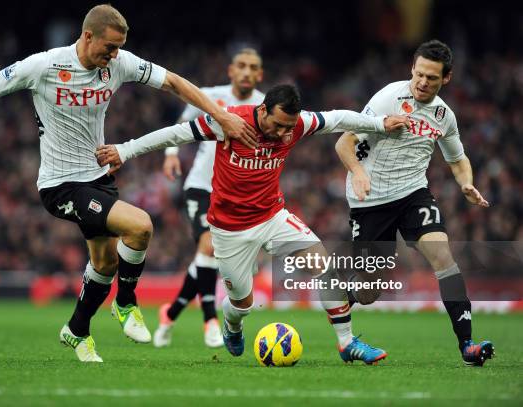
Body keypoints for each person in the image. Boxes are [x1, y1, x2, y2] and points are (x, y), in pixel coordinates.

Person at [0, 4, 256, 363]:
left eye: (119, 48)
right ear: (87, 36)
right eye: (109, 47)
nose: (114, 56)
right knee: (141, 226)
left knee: (106, 263)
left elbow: (174, 82)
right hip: (60, 185)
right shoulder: (45, 65)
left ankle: (78, 331)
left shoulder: (120, 63)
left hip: (97, 177)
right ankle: (126, 303)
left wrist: (220, 115)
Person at [96, 84, 410, 363]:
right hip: (229, 230)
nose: (280, 132)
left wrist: (379, 124)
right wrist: (126, 149)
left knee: (323, 266)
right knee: (241, 303)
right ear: (262, 111)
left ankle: (347, 343)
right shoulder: (229, 121)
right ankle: (232, 327)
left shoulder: (295, 126)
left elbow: (339, 119)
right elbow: (175, 134)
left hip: (273, 216)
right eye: (276, 124)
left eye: (287, 127)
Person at [334, 39, 494, 366]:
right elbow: (343, 143)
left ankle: (468, 345)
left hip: (412, 195)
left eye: (431, 78)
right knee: (369, 292)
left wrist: (466, 183)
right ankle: (338, 300)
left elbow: (458, 158)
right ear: (412, 68)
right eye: (418, 74)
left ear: (445, 78)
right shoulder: (387, 98)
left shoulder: (443, 116)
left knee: (443, 256)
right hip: (370, 202)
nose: (422, 82)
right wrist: (358, 173)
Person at [154, 48, 265, 349]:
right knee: (208, 246)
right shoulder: (208, 95)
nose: (245, 71)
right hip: (202, 186)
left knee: (207, 258)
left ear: (259, 74)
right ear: (230, 70)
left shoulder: (265, 106)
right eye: (240, 65)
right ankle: (210, 321)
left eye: (252, 67)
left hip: (236, 194)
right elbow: (181, 124)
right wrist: (171, 154)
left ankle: (171, 311)